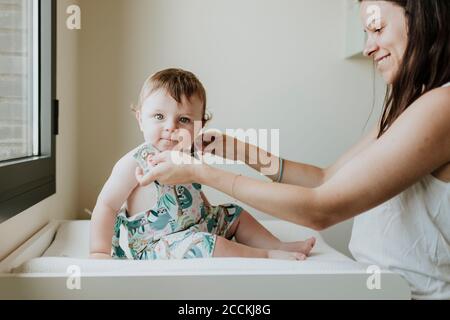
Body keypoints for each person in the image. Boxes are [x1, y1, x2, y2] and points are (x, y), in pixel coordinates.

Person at [135, 1, 450, 299]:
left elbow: (321, 208)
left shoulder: (442, 107)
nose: (367, 46)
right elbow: (324, 180)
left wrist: (200, 172)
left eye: (377, 29)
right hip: (383, 289)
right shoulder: (413, 108)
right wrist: (242, 152)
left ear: (424, 15)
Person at [89, 68, 316, 261]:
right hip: (160, 245)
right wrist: (99, 252)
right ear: (140, 119)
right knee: (207, 242)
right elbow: (106, 204)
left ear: (200, 125)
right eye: (159, 116)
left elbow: (196, 193)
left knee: (234, 214)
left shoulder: (190, 155)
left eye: (184, 120)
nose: (171, 127)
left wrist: (212, 216)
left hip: (197, 225)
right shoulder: (134, 162)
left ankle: (277, 245)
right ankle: (265, 256)